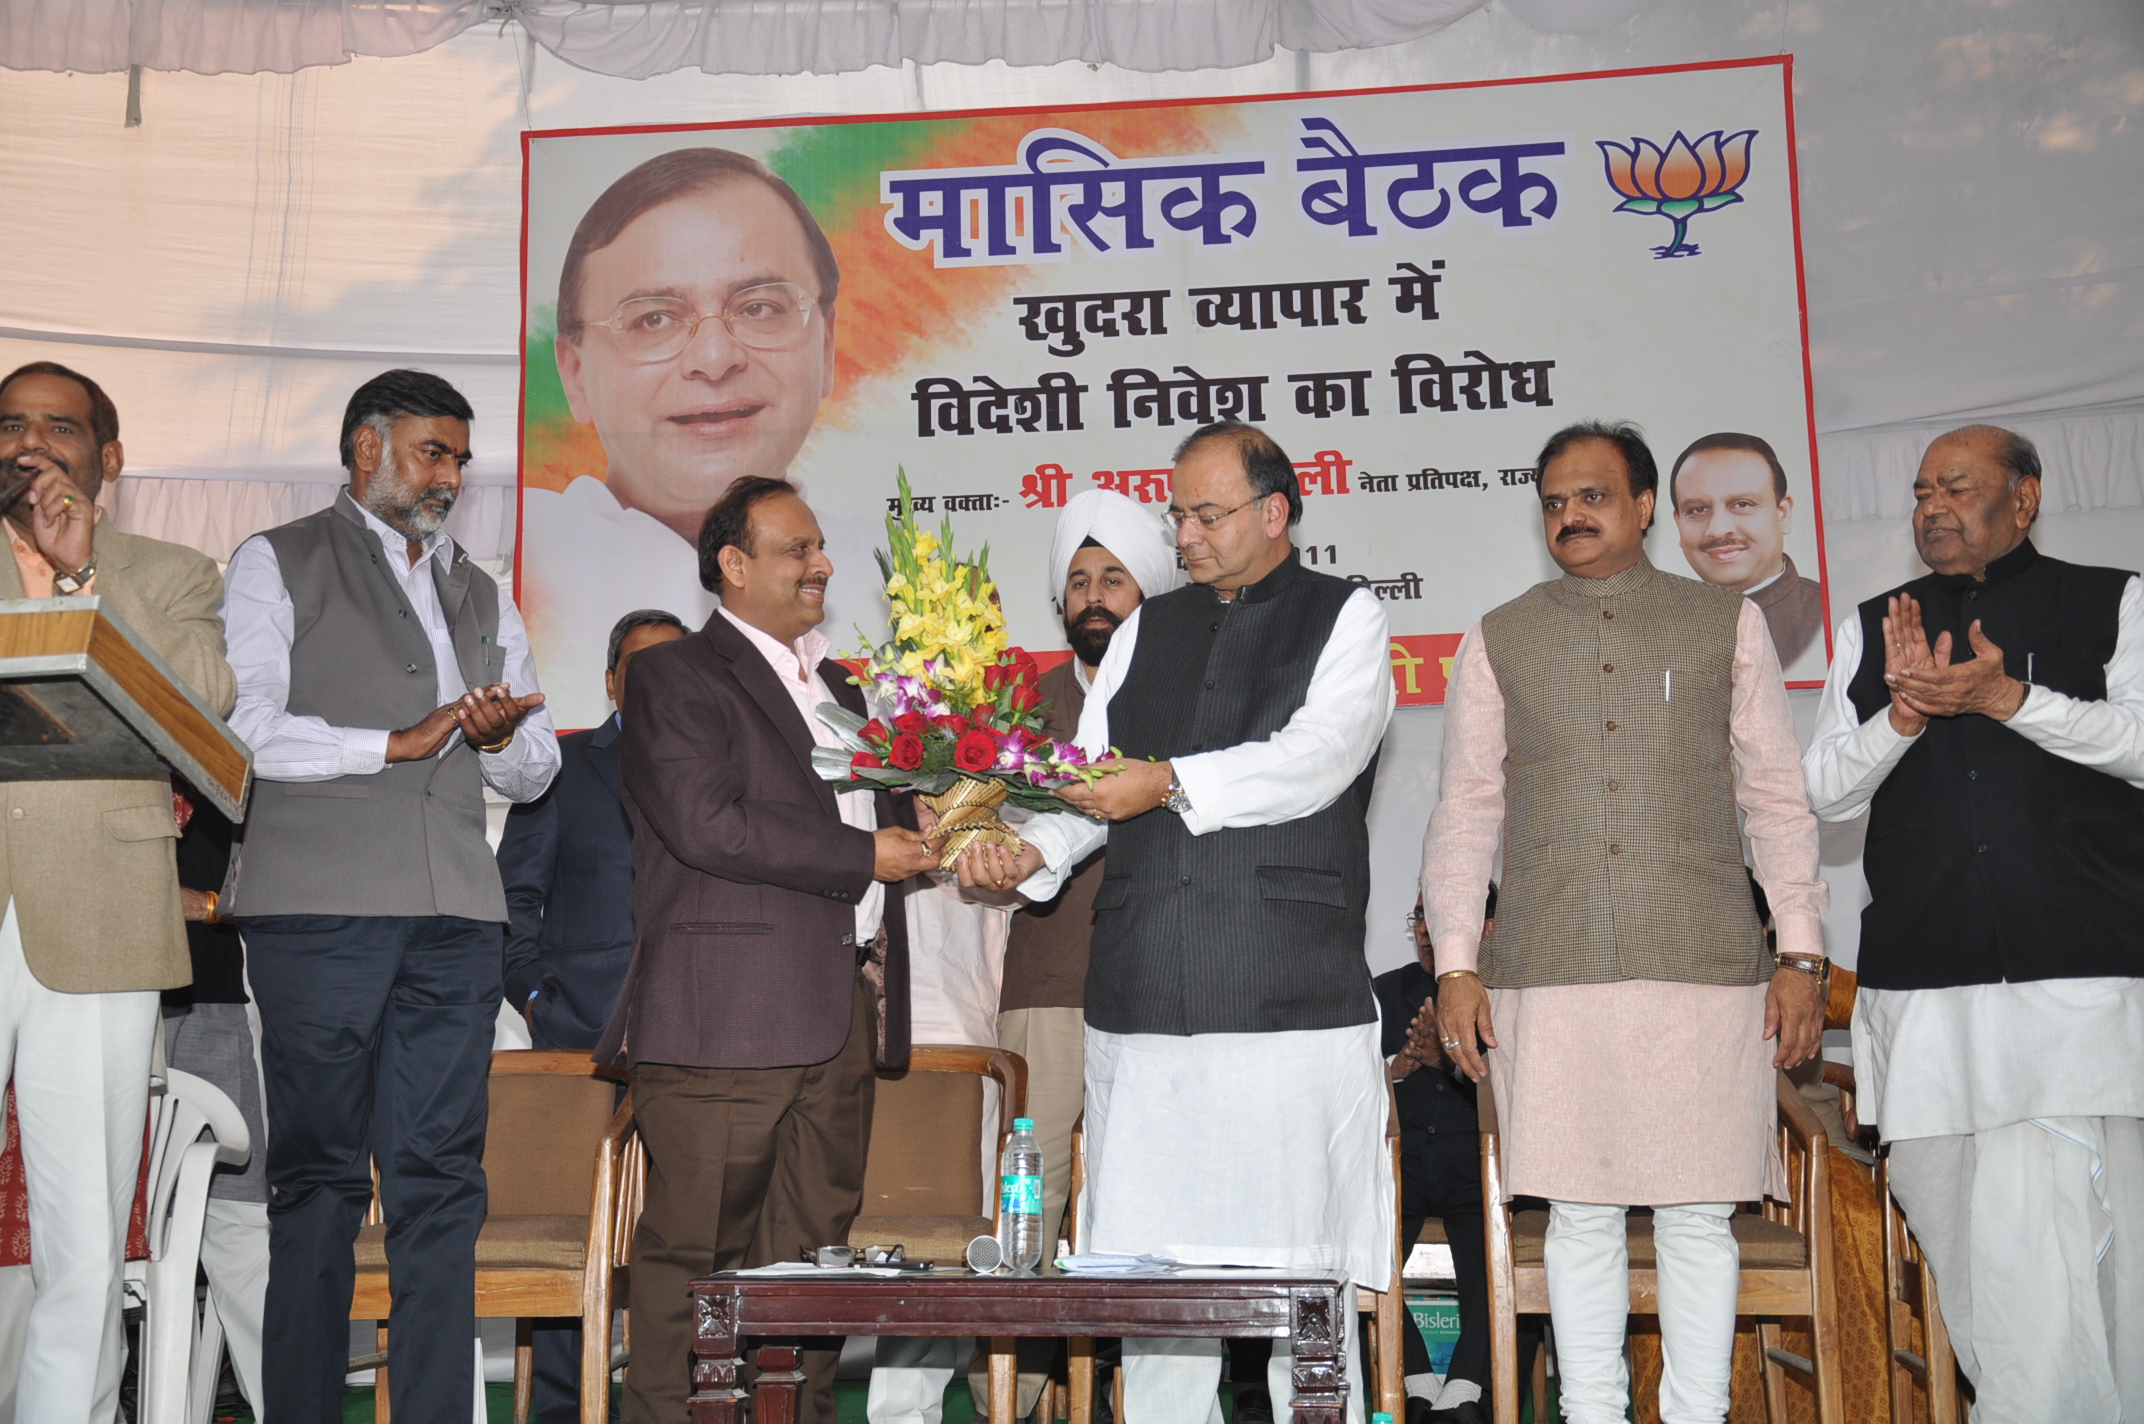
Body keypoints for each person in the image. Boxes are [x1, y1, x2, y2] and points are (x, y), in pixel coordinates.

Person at [955, 420, 1397, 1424]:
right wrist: (1027, 849)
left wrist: (1167, 782)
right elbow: (1088, 780)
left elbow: (1317, 756)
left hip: (1287, 1000)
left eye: (1206, 514)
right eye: (1179, 514)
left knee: (1301, 1283)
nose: (1184, 535)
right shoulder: (1146, 629)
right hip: (1145, 996)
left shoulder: (1347, 615)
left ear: (1273, 512)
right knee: (1153, 1289)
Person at [1423, 420, 1828, 1424]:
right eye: (1553, 501)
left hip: (1702, 963)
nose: (1569, 516)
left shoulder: (1722, 623)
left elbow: (1775, 798)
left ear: (1644, 506)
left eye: (1591, 495)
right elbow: (1466, 809)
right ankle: (1592, 1411)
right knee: (1576, 1212)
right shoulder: (1497, 634)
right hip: (1547, 966)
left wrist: (1800, 951)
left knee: (1697, 1217)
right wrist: (1455, 966)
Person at [224, 369, 561, 1423]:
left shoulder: (483, 587)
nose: (449, 476)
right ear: (366, 448)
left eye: (459, 457)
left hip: (457, 917)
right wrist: (394, 740)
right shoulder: (276, 559)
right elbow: (244, 727)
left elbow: (536, 766)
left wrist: (500, 740)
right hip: (316, 910)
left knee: (439, 1181)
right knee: (319, 1183)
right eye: (432, 451)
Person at [1803, 423, 2143, 1421]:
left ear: (2024, 497)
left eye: (1955, 486)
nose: (1930, 508)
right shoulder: (1877, 624)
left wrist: (2007, 696)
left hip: (2075, 976)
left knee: (2085, 1228)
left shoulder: (2110, 599)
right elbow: (1820, 791)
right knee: (1971, 1229)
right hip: (1929, 982)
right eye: (1918, 492)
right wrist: (1902, 716)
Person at [601, 475, 939, 1424]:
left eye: (822, 546)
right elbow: (710, 825)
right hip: (723, 1017)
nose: (822, 564)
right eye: (798, 550)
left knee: (811, 1266)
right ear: (733, 566)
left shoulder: (844, 688)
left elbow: (894, 814)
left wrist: (964, 818)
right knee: (696, 1262)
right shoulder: (674, 675)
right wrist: (866, 853)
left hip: (837, 1013)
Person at [868, 489, 1179, 1424]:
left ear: (1148, 590)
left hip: (1170, 987)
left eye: (1112, 578)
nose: (1092, 596)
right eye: (1078, 581)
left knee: (1146, 1204)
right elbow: (983, 851)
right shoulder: (1018, 709)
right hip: (1046, 983)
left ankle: (1142, 1397)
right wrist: (971, 844)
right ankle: (1018, 1395)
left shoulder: (1184, 692)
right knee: (1020, 1201)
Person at [0, 361, 236, 1421]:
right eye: (10, 424)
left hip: (93, 908)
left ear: (111, 457)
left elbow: (205, 708)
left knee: (82, 1228)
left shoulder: (169, 571)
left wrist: (82, 567)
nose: (30, 442)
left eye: (58, 425)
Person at [524, 147, 841, 727]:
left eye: (761, 306)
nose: (715, 359)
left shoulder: (895, 581)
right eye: (653, 319)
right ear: (574, 371)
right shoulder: (536, 558)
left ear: (825, 346)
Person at [496, 606, 684, 1422]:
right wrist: (537, 996)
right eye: (640, 667)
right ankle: (561, 1412)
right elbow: (513, 902)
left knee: (685, 1245)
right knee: (576, 1240)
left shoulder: (721, 768)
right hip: (582, 1043)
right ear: (610, 679)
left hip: (701, 1043)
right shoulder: (563, 767)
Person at [163, 784, 271, 1415]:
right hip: (83, 1001)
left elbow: (273, 888)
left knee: (237, 1225)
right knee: (87, 1228)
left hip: (206, 998)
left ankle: (277, 1406)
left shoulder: (223, 752)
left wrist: (200, 905)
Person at [1376, 887, 1502, 1424]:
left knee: (1489, 1268)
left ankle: (1465, 1392)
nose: (1428, 931)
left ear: (1487, 927)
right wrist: (1399, 1068)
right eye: (1422, 918)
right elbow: (1345, 1081)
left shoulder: (1504, 995)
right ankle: (1419, 1382)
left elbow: (1525, 1093)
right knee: (1368, 1258)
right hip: (1398, 1168)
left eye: (1442, 919)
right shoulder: (1386, 991)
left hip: (1476, 1169)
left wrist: (1449, 1065)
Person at [1669, 432, 1825, 666]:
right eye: (1698, 510)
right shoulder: (1661, 625)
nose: (1718, 530)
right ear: (1678, 523)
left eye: (1742, 504)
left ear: (1782, 514)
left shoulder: (1827, 615)